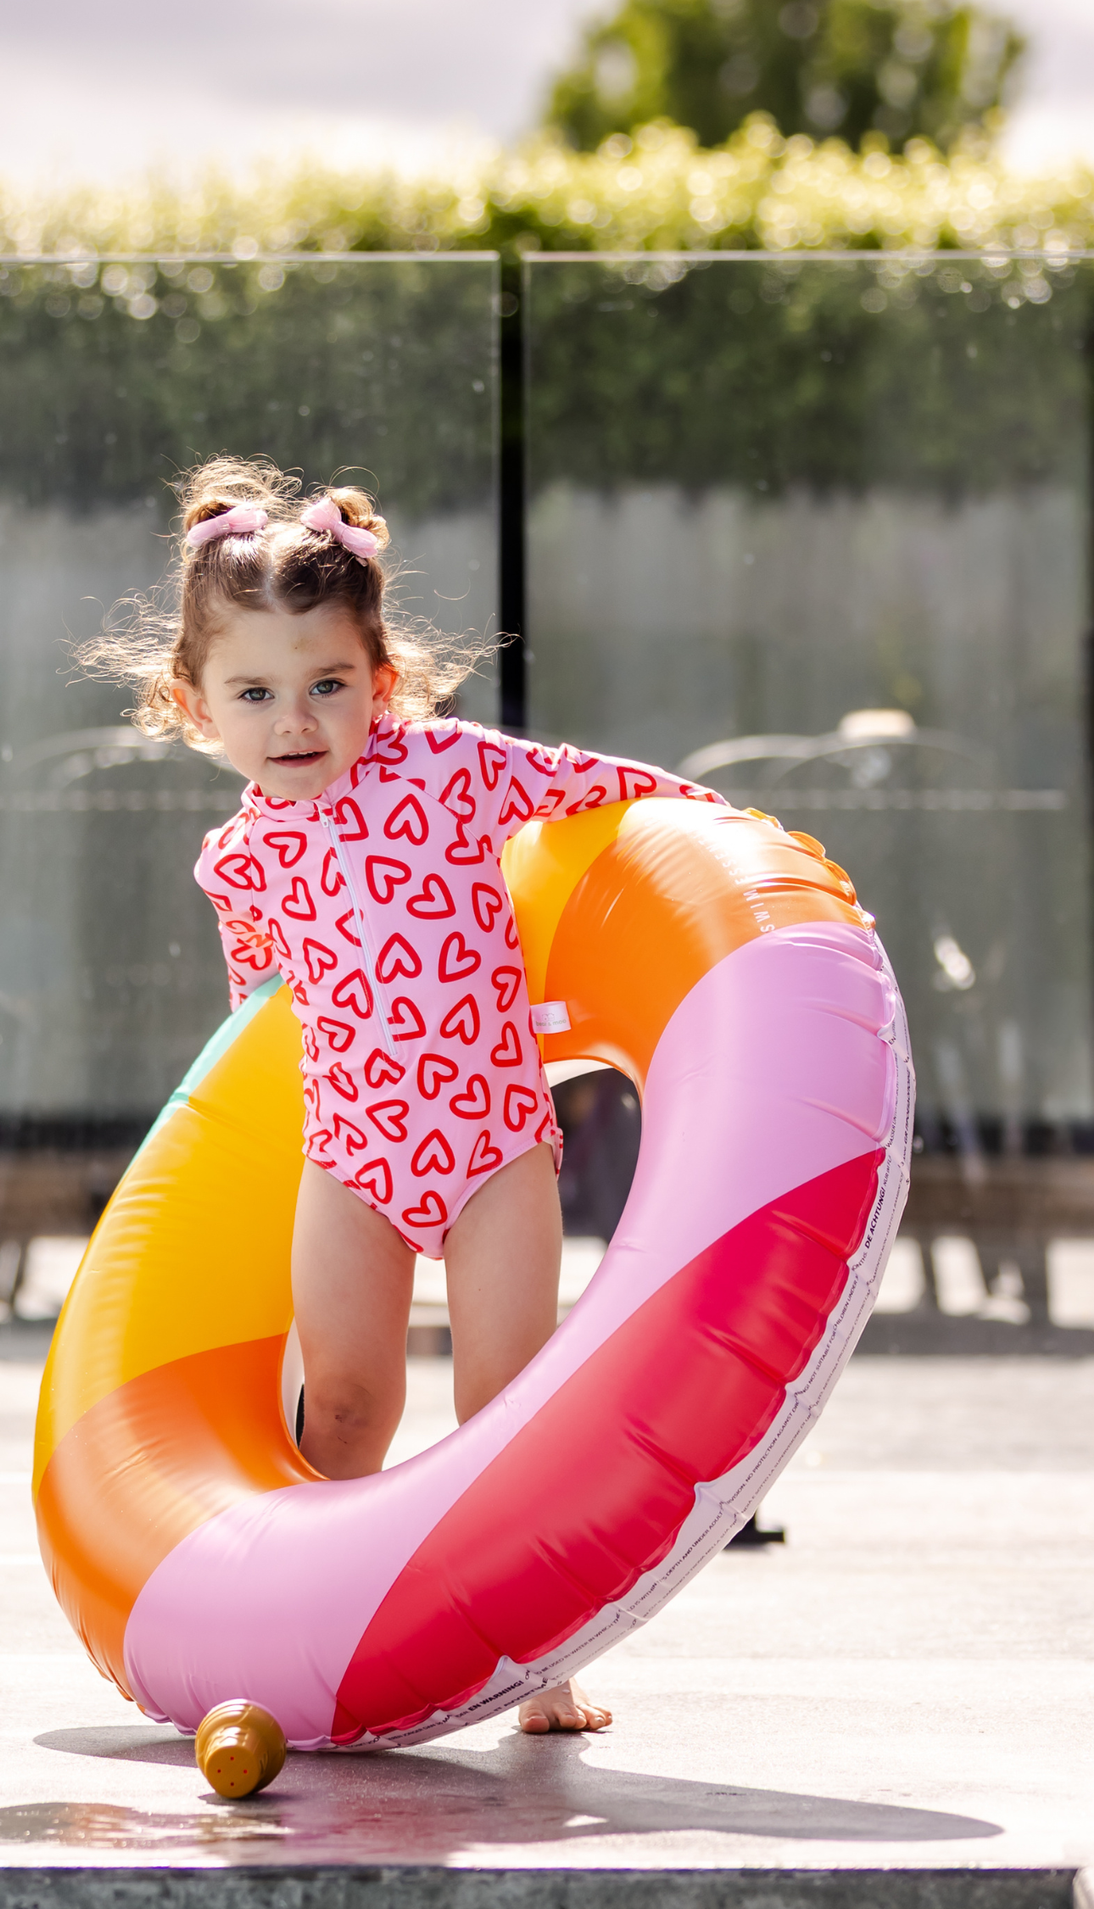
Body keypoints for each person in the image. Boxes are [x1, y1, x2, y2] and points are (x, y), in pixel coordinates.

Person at [82, 457, 720, 1734]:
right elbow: (260, 1024)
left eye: (326, 683)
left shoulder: (449, 769)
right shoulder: (238, 857)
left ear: (380, 681)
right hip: (350, 1157)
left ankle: (540, 1658)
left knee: (502, 1399)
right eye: (254, 693)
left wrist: (734, 850)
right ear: (193, 705)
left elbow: (610, 791)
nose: (294, 719)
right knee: (346, 1400)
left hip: (491, 1148)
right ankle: (305, 1634)